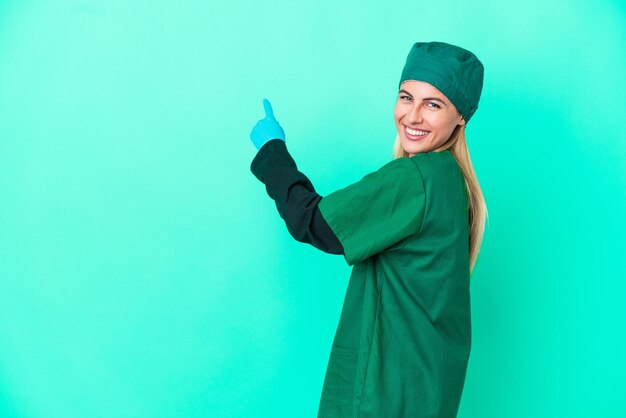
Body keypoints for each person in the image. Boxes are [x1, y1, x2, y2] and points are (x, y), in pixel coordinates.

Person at [249, 40, 487, 418]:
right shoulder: (452, 183)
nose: (413, 116)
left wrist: (273, 151)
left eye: (433, 104)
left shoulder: (418, 178)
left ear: (461, 117)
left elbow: (314, 223)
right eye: (406, 97)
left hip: (385, 397)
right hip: (424, 395)